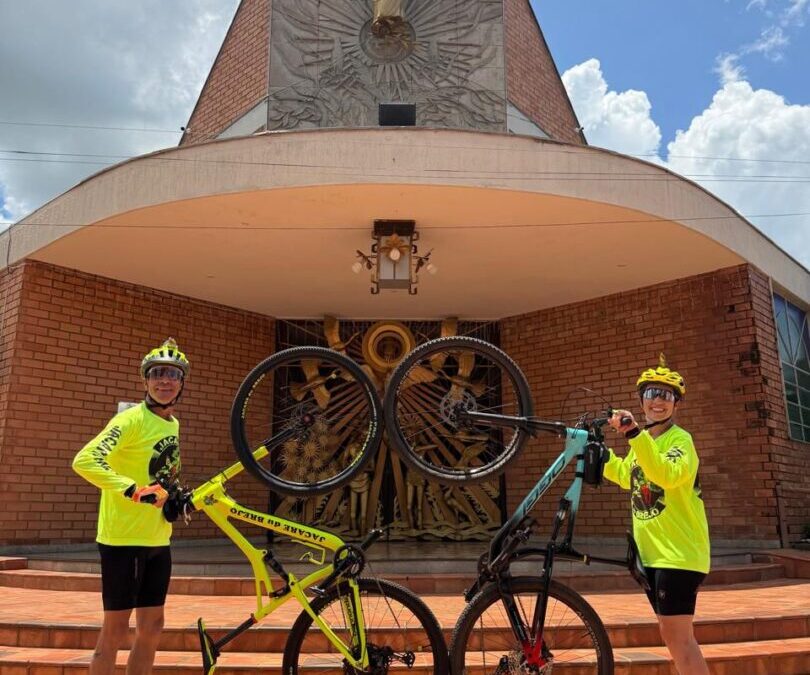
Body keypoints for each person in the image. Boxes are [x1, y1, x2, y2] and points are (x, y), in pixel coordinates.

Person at [72, 338, 189, 675]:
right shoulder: (129, 421)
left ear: (182, 383)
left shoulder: (173, 424)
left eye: (173, 375)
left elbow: (161, 471)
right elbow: (85, 460)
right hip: (123, 540)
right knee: (115, 631)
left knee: (152, 628)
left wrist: (174, 497)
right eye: (157, 374)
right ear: (145, 381)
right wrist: (133, 490)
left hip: (157, 538)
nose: (165, 381)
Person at [604, 355, 710, 675]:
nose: (658, 401)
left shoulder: (681, 441)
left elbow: (665, 474)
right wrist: (596, 451)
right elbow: (627, 475)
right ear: (642, 400)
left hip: (678, 555)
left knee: (679, 639)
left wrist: (633, 434)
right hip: (652, 556)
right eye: (652, 394)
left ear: (676, 404)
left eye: (666, 395)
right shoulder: (645, 442)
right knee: (673, 635)